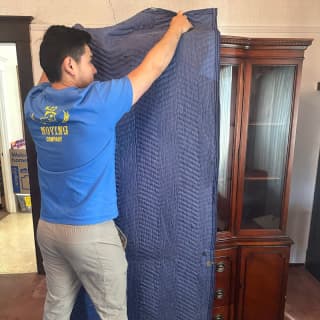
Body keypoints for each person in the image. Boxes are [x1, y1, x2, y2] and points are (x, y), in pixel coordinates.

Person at [24, 11, 192, 320]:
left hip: (49, 230)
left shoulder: (34, 103)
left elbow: (48, 75)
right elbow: (152, 67)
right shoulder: (96, 103)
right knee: (112, 314)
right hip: (90, 234)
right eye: (89, 60)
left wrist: (64, 41)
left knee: (57, 309)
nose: (96, 67)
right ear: (70, 65)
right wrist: (176, 29)